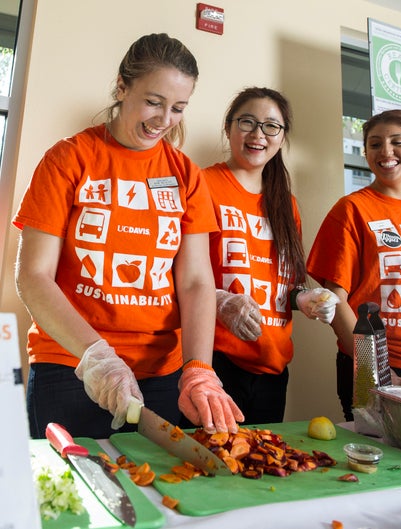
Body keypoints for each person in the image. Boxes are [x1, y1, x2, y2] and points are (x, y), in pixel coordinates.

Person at [13, 33, 244, 439]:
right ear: (122, 86)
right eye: (154, 102)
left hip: (160, 372)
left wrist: (199, 371)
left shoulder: (185, 175)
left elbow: (194, 281)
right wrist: (97, 357)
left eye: (178, 108)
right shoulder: (68, 159)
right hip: (71, 363)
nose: (164, 120)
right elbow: (33, 275)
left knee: (158, 494)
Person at [202, 87, 339, 425]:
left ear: (282, 136)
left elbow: (285, 286)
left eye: (270, 126)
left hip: (272, 366)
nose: (258, 134)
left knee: (262, 467)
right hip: (216, 360)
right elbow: (183, 274)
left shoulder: (285, 204)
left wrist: (305, 299)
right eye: (247, 122)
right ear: (228, 127)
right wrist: (220, 302)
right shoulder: (203, 184)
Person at [307, 109, 401, 421]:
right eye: (375, 144)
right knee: (373, 459)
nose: (386, 151)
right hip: (367, 365)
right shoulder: (352, 209)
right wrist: (376, 372)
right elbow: (335, 298)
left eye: (397, 142)